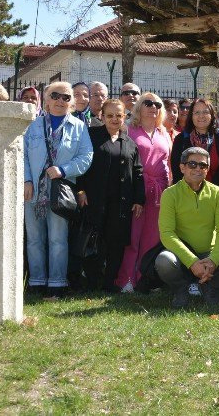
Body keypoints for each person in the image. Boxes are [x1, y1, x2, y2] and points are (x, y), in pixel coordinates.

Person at [23, 81, 94, 298]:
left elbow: (86, 157)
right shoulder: (32, 126)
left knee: (57, 239)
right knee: (34, 238)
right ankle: (36, 282)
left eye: (65, 97)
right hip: (33, 191)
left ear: (71, 102)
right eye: (55, 96)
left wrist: (64, 169)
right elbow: (23, 154)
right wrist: (27, 180)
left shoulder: (79, 126)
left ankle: (56, 282)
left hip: (60, 192)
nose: (60, 101)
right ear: (46, 99)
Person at [155, 147, 219, 308]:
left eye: (203, 165)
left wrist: (213, 261)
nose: (198, 168)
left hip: (209, 253)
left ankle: (209, 285)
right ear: (182, 167)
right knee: (164, 261)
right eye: (192, 164)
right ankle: (180, 289)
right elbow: (167, 233)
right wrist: (192, 262)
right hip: (181, 254)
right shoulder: (170, 194)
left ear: (207, 169)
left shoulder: (218, 193)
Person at [75, 99, 144, 292]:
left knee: (116, 245)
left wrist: (139, 199)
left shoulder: (129, 143)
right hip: (94, 201)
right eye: (110, 115)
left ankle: (109, 284)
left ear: (124, 117)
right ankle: (91, 283)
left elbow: (138, 172)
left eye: (119, 115)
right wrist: (80, 190)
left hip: (121, 204)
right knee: (94, 243)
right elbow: (80, 164)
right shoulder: (91, 136)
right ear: (102, 116)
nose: (114, 119)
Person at [116, 92, 172, 292]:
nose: (153, 107)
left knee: (153, 237)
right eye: (148, 103)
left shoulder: (164, 133)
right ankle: (127, 279)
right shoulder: (129, 130)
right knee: (133, 236)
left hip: (159, 192)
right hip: (136, 189)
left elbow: (167, 164)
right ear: (139, 107)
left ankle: (146, 279)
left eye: (157, 104)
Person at [170, 98, 219, 186]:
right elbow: (177, 171)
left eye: (205, 112)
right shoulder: (181, 139)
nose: (201, 116)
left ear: (211, 115)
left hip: (215, 193)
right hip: (187, 193)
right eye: (197, 112)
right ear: (191, 116)